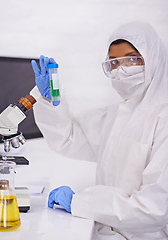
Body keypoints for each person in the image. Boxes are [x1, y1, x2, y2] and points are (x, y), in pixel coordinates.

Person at [30, 21, 168, 240]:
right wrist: (51, 97)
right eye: (113, 62)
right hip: (105, 230)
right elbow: (70, 138)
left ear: (154, 59)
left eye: (132, 59)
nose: (121, 69)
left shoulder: (163, 119)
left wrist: (80, 202)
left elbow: (154, 208)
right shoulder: (116, 114)